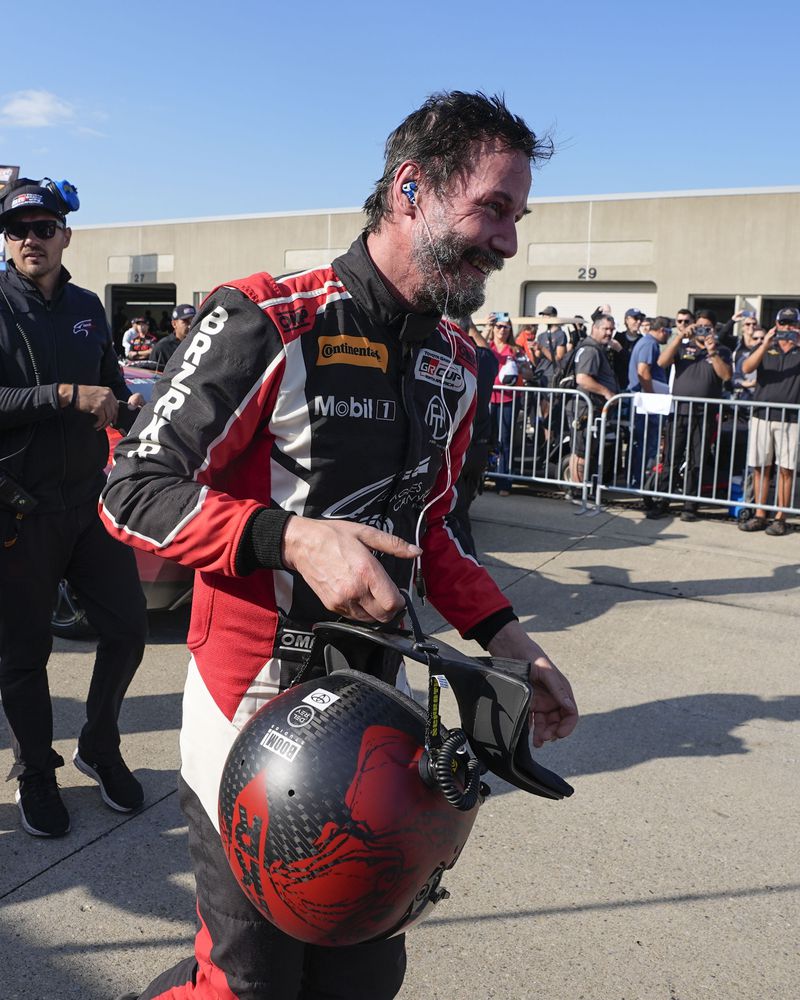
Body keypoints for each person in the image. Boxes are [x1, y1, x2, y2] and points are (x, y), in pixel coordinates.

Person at [100, 91, 578, 1000]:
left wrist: (515, 645)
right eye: (493, 210)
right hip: (253, 697)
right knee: (249, 979)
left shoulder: (457, 361)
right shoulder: (266, 316)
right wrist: (291, 540)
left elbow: (430, 530)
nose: (510, 243)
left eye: (517, 216)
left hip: (379, 699)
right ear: (411, 189)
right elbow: (130, 490)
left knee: (363, 968)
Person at [0, 177, 147, 839]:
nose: (31, 239)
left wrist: (138, 406)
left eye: (43, 226)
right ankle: (36, 770)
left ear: (65, 234)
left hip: (89, 506)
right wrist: (63, 394)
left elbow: (112, 386)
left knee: (128, 629)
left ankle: (99, 744)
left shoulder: (89, 305)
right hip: (19, 512)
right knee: (23, 655)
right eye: (18, 229)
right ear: (7, 240)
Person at [655, 309, 733, 520]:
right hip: (680, 411)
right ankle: (662, 500)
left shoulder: (722, 350)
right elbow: (661, 362)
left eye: (707, 327)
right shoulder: (682, 346)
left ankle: (690, 504)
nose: (702, 330)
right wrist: (680, 335)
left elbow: (726, 375)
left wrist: (712, 352)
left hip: (704, 414)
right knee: (671, 457)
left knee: (696, 460)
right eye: (699, 326)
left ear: (714, 329)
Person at [738, 307, 800, 535]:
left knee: (786, 468)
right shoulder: (766, 347)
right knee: (760, 466)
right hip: (762, 416)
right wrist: (765, 342)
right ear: (776, 324)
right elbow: (746, 368)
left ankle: (780, 517)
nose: (787, 328)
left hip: (790, 418)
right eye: (783, 324)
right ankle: (760, 514)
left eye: (792, 324)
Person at [446, 314, 499, 553]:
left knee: (451, 519)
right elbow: (487, 352)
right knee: (461, 511)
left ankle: (464, 560)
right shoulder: (483, 359)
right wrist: (473, 327)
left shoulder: (445, 352)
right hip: (477, 447)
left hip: (454, 448)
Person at [569, 314, 619, 487]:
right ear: (595, 328)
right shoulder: (591, 350)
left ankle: (580, 489)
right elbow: (582, 379)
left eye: (612, 329)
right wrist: (607, 393)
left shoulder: (597, 348)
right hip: (585, 408)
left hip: (590, 408)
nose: (609, 333)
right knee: (581, 451)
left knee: (585, 450)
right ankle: (577, 491)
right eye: (606, 329)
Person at [626, 316, 671, 490]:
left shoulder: (647, 343)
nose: (669, 337)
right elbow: (643, 371)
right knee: (647, 444)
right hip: (646, 402)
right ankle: (641, 481)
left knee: (644, 443)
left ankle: (638, 480)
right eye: (669, 332)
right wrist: (652, 396)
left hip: (644, 399)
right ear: (662, 330)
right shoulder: (649, 344)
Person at [487, 315, 520, 496]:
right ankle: (484, 476)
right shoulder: (487, 345)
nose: (502, 330)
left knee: (505, 439)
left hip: (507, 400)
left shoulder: (515, 350)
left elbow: (529, 372)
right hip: (488, 399)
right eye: (499, 326)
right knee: (485, 438)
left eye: (506, 327)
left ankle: (503, 481)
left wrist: (519, 366)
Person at [149, 303, 196, 370]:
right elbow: (153, 375)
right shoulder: (162, 347)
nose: (190, 325)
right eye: (186, 321)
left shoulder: (203, 344)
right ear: (174, 324)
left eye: (193, 321)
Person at [611, 307, 644, 390]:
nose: (639, 322)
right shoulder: (618, 337)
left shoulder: (642, 340)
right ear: (627, 320)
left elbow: (637, 364)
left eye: (641, 319)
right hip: (618, 383)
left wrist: (621, 350)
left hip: (635, 385)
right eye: (635, 318)